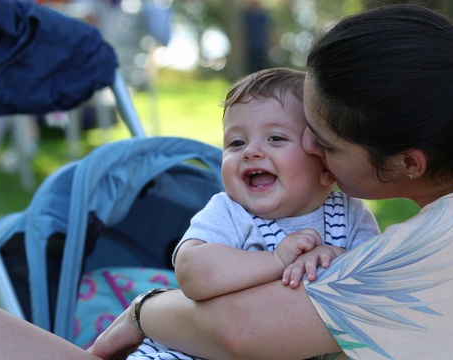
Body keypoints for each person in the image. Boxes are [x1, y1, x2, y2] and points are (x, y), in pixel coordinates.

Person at [0, 4, 453, 359]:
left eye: (324, 146)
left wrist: (142, 312)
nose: (316, 160)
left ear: (408, 163)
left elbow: (238, 331)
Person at [127, 67, 380, 359]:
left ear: (325, 164)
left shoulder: (350, 216)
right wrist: (276, 259)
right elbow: (191, 272)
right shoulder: (230, 212)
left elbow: (376, 281)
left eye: (275, 138)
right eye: (236, 142)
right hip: (195, 352)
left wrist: (338, 258)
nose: (251, 151)